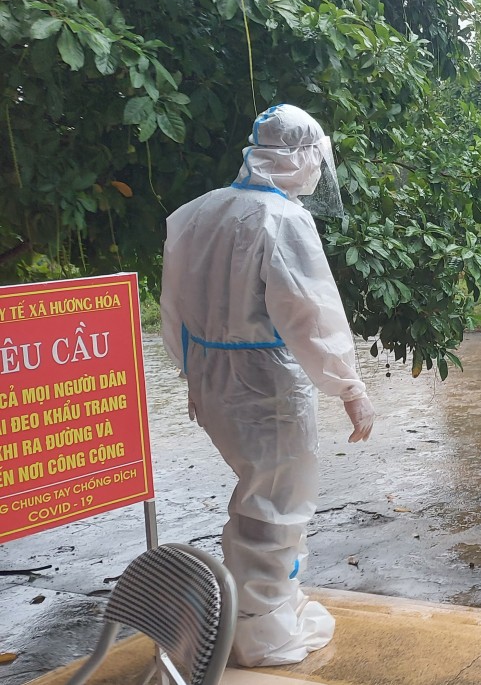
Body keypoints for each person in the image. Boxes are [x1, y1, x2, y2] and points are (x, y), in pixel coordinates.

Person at [160, 104, 376, 667]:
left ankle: (263, 608)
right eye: (315, 158)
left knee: (256, 495)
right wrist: (350, 388)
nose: (316, 172)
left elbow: (174, 308)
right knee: (276, 507)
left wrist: (191, 375)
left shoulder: (194, 215)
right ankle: (261, 632)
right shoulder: (282, 219)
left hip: (213, 379)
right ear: (299, 155)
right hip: (267, 384)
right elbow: (310, 314)